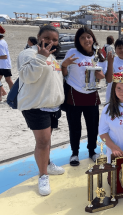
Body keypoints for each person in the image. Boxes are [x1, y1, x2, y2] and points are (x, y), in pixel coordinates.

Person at [17, 25, 65, 196]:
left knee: (47, 139)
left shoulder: (51, 56)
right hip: (35, 105)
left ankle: (47, 163)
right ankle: (43, 175)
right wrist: (40, 57)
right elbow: (28, 76)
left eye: (54, 39)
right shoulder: (28, 54)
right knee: (43, 142)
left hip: (50, 106)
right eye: (47, 38)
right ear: (38, 37)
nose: (51, 42)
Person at [61, 26, 107, 166]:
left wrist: (100, 76)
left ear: (93, 38)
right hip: (74, 94)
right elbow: (64, 73)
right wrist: (64, 65)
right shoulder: (72, 52)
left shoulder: (98, 55)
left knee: (93, 126)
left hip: (92, 94)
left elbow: (102, 75)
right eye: (82, 38)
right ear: (78, 40)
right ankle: (74, 153)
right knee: (74, 126)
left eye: (88, 37)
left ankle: (92, 151)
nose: (86, 40)